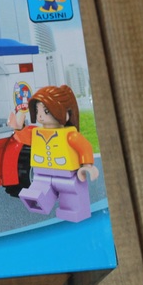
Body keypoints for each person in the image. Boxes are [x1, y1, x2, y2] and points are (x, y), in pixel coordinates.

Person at [8, 85, 99, 222]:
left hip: (67, 175)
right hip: (42, 175)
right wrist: (18, 128)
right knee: (36, 194)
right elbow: (24, 137)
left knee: (71, 199)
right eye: (37, 111)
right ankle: (42, 208)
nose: (40, 116)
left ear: (65, 113)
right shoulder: (36, 132)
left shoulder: (70, 135)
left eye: (46, 111)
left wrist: (87, 166)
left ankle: (72, 214)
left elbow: (84, 147)